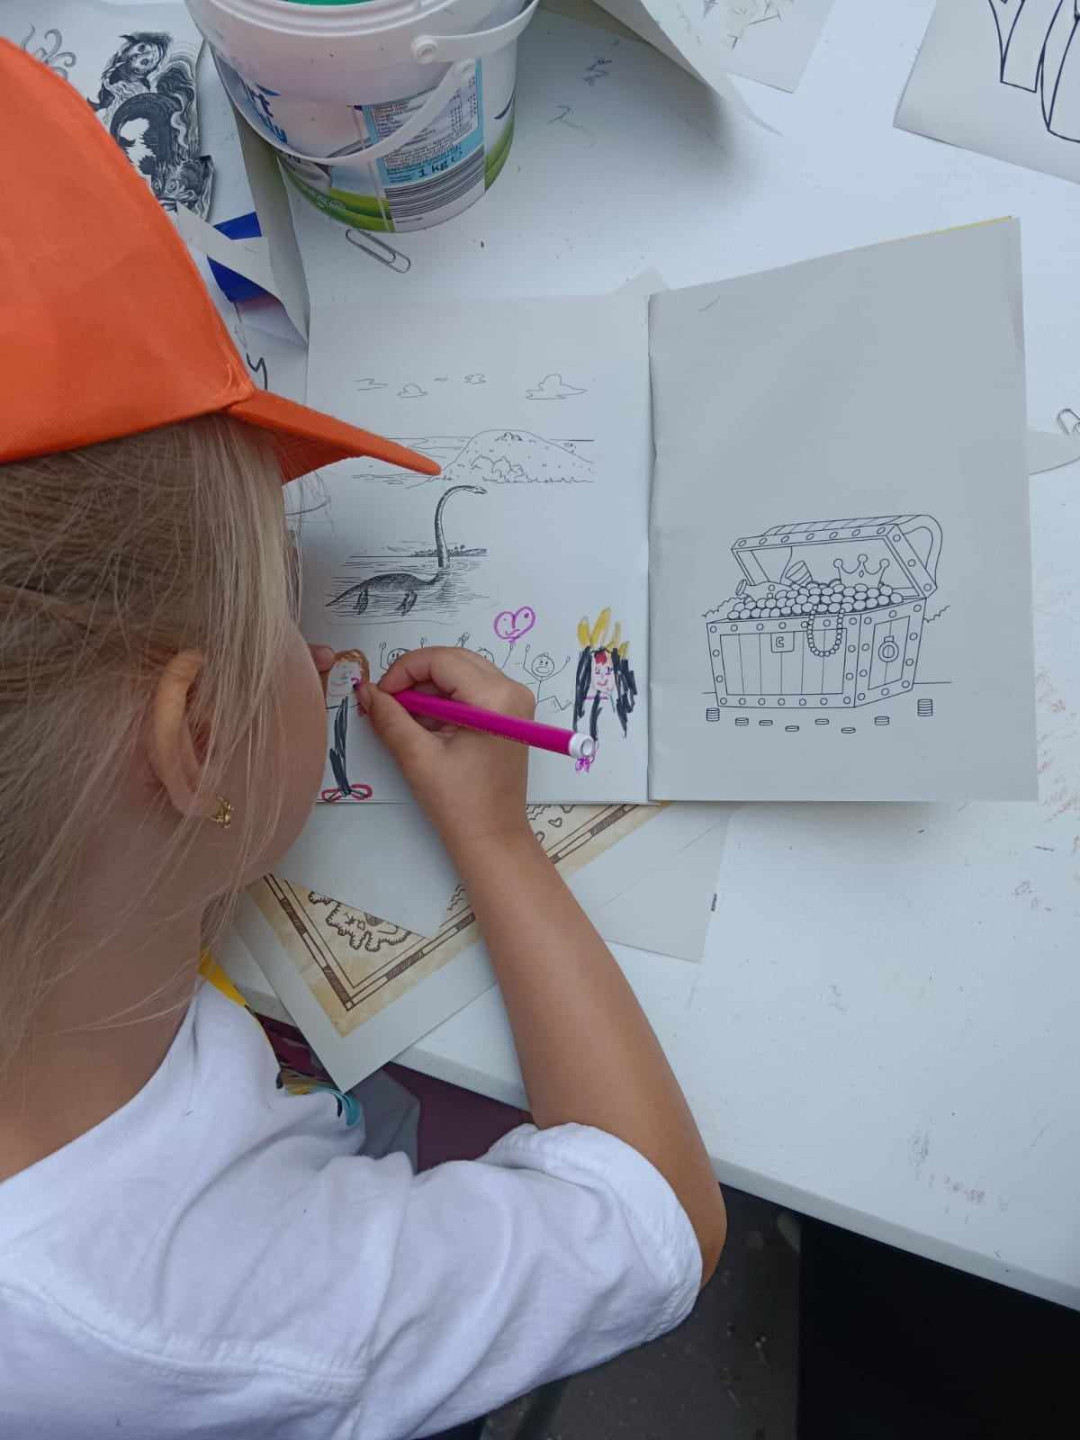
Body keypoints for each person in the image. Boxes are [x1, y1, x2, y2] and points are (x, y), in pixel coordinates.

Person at [0, 42, 726, 1439]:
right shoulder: (191, 1309)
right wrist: (498, 841)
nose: (329, 649)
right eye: (287, 605)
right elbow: (653, 1218)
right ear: (199, 742)